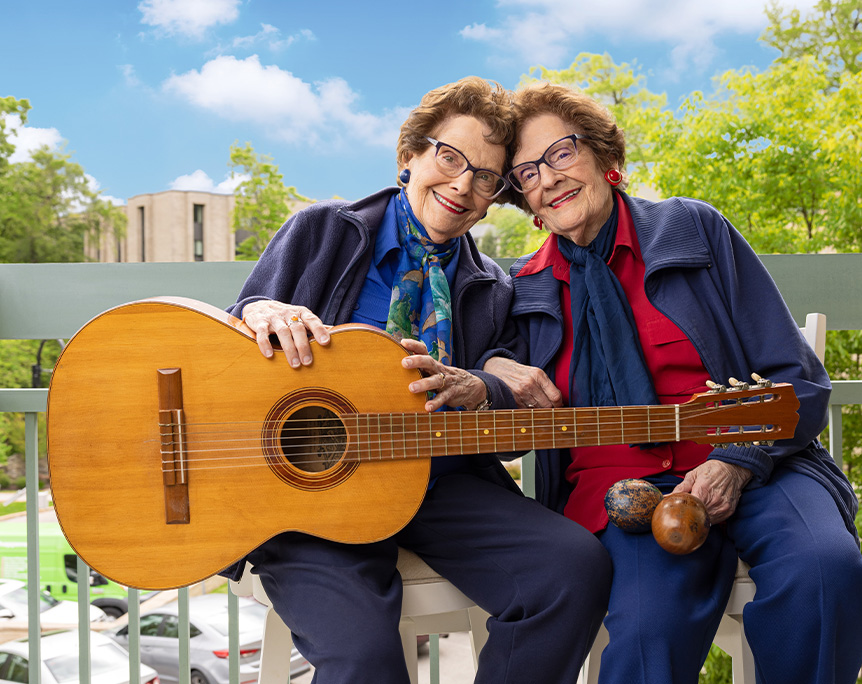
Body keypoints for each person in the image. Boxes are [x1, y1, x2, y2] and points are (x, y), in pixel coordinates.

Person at [484, 82, 862, 684]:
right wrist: (493, 366)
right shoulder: (524, 286)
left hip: (757, 459)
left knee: (826, 573)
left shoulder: (692, 229)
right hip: (618, 489)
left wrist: (737, 461)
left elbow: (795, 376)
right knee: (648, 632)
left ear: (603, 157)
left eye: (561, 153)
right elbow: (497, 404)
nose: (548, 177)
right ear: (526, 201)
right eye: (526, 171)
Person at [224, 77, 612, 684]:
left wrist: (490, 385)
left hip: (439, 483)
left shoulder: (496, 289)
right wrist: (256, 312)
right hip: (312, 492)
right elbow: (229, 343)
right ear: (410, 156)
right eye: (448, 158)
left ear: (493, 198)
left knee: (573, 568)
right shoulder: (323, 231)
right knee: (365, 659)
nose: (461, 185)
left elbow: (510, 431)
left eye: (485, 176)